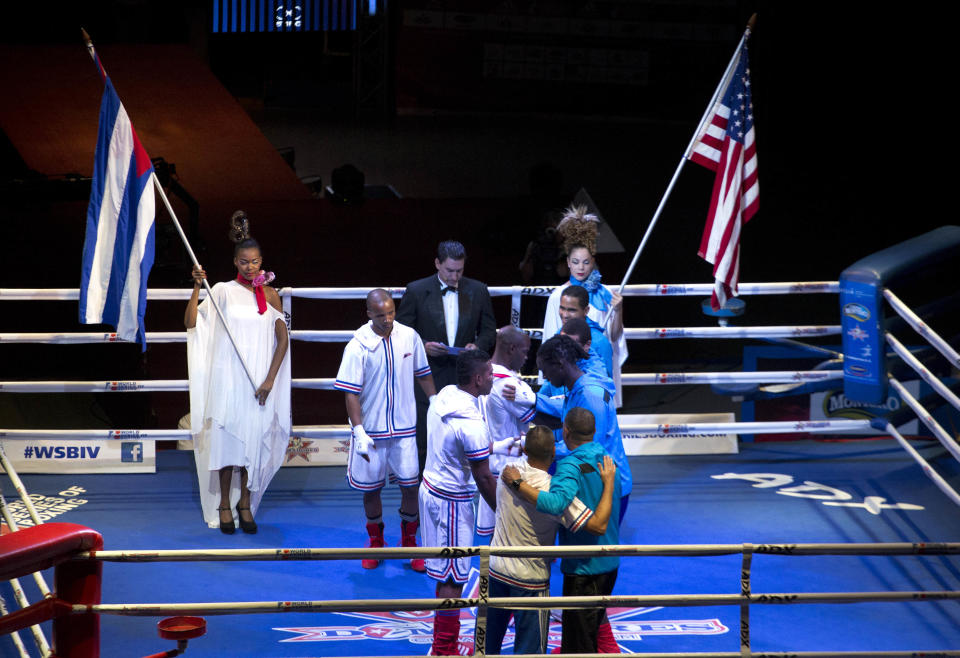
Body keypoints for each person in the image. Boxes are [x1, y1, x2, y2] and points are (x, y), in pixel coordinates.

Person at [185, 211, 290, 534]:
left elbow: (282, 339)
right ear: (235, 262)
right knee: (228, 446)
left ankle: (245, 503)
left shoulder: (270, 294)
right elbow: (191, 322)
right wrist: (196, 287)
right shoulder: (222, 291)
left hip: (259, 384)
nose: (250, 267)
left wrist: (270, 379)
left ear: (262, 261)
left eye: (255, 261)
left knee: (252, 447)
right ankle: (223, 506)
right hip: (230, 383)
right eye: (244, 262)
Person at [486, 425, 616, 655]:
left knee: (487, 646)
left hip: (495, 569)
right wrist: (609, 483)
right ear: (554, 453)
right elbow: (598, 525)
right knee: (530, 651)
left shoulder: (507, 473)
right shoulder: (553, 492)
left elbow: (522, 484)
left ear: (525, 449)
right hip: (529, 580)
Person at [334, 289, 437, 571]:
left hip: (404, 429)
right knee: (371, 489)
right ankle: (376, 542)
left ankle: (409, 541)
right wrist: (359, 430)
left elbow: (423, 372)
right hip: (372, 431)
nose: (388, 319)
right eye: (381, 315)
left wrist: (435, 402)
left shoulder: (409, 336)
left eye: (391, 313)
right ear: (369, 314)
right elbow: (350, 392)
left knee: (409, 485)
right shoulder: (358, 345)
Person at [419, 350, 498, 655]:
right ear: (478, 380)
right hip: (451, 501)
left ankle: (443, 644)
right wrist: (501, 513)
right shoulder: (471, 421)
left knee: (446, 571)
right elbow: (482, 476)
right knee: (453, 577)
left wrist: (504, 446)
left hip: (433, 488)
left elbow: (467, 448)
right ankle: (444, 648)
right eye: (489, 374)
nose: (493, 377)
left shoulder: (445, 396)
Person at [397, 240, 497, 473]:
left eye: (459, 271)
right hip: (427, 374)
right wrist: (423, 346)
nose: (454, 277)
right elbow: (401, 332)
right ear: (437, 264)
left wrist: (478, 347)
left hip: (466, 376)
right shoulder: (417, 290)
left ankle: (467, 485)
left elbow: (489, 330)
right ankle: (425, 488)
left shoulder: (478, 290)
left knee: (465, 433)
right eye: (450, 270)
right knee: (425, 435)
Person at [535, 335, 631, 520]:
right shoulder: (577, 391)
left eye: (545, 370)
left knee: (599, 547)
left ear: (560, 364)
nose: (545, 377)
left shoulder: (590, 395)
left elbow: (589, 447)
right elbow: (570, 435)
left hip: (605, 484)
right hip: (592, 480)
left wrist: (544, 451)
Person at [542, 205, 627, 407]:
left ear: (593, 262)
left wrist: (619, 310)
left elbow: (614, 338)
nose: (581, 267)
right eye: (576, 262)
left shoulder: (606, 294)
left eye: (586, 262)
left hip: (599, 366)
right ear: (568, 263)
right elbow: (550, 340)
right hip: (568, 369)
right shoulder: (557, 297)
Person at [476, 326, 537, 538]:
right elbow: (543, 417)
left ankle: (488, 572)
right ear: (512, 349)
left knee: (492, 538)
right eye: (525, 351)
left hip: (488, 463)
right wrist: (531, 395)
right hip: (509, 468)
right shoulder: (508, 385)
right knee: (513, 537)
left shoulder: (482, 374)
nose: (527, 357)